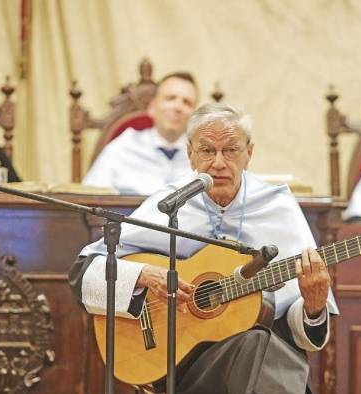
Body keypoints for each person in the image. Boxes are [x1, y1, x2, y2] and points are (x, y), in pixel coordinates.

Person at [70, 103, 338, 394]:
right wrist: (142, 275)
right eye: (208, 151)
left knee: (259, 343)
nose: (219, 163)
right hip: (184, 362)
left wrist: (313, 307)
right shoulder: (170, 203)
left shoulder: (277, 207)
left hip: (263, 353)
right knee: (261, 350)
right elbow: (84, 272)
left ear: (250, 153)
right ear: (190, 155)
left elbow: (296, 327)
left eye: (231, 150)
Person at [82, 72, 198, 194]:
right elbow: (89, 199)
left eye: (187, 102)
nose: (178, 107)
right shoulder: (123, 147)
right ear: (152, 107)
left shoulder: (203, 155)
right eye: (170, 98)